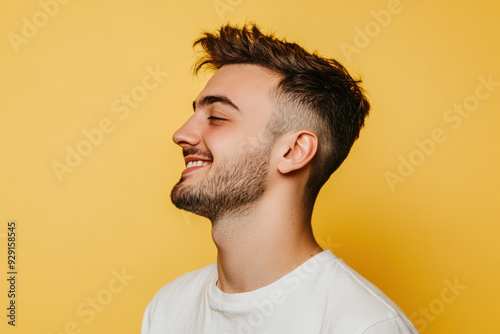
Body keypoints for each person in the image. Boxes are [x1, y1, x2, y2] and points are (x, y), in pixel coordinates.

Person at [141, 24, 418, 333]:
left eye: (217, 118)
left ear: (293, 151)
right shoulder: (169, 307)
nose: (182, 135)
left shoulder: (363, 325)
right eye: (194, 114)